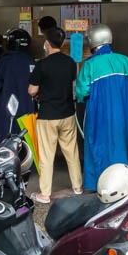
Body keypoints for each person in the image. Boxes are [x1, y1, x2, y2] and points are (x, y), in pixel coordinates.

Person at [75, 24, 128, 191]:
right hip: (125, 116)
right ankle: (126, 181)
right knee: (124, 144)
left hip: (100, 118)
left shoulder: (90, 65)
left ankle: (100, 184)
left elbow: (81, 92)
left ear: (92, 41)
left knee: (99, 148)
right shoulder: (125, 61)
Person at [28, 28, 83, 203]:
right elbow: (73, 85)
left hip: (47, 115)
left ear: (47, 43)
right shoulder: (70, 63)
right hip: (67, 113)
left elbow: (32, 90)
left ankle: (45, 194)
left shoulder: (42, 65)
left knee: (46, 155)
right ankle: (77, 187)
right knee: (71, 152)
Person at [0, 29, 36, 147]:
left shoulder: (5, 61)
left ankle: (3, 164)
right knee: (27, 140)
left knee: (4, 139)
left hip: (7, 106)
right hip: (27, 107)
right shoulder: (31, 61)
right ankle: (28, 164)